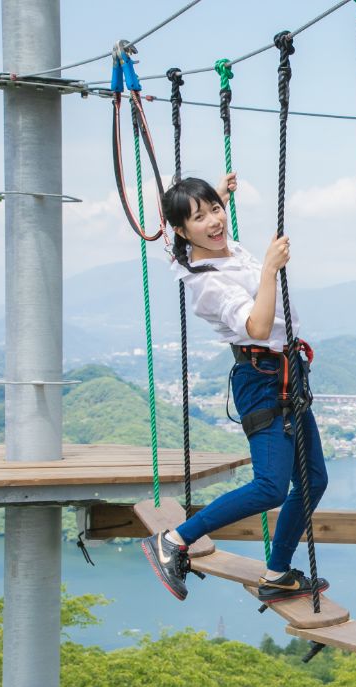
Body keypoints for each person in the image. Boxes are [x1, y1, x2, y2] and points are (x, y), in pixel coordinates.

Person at [141, 173, 329, 604]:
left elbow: (195, 224)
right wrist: (269, 269)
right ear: (182, 231)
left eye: (215, 210)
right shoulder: (205, 282)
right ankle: (173, 540)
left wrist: (217, 192)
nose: (213, 221)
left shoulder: (220, 248)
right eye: (199, 218)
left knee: (314, 480)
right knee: (269, 487)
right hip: (262, 379)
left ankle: (277, 573)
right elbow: (258, 327)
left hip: (289, 372)